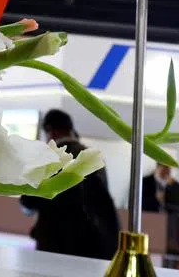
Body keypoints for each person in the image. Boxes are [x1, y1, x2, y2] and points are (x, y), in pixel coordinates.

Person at [19, 109, 120, 259]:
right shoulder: (93, 157)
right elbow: (104, 203)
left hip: (52, 245)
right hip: (92, 246)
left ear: (50, 132)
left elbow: (27, 204)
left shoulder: (47, 158)